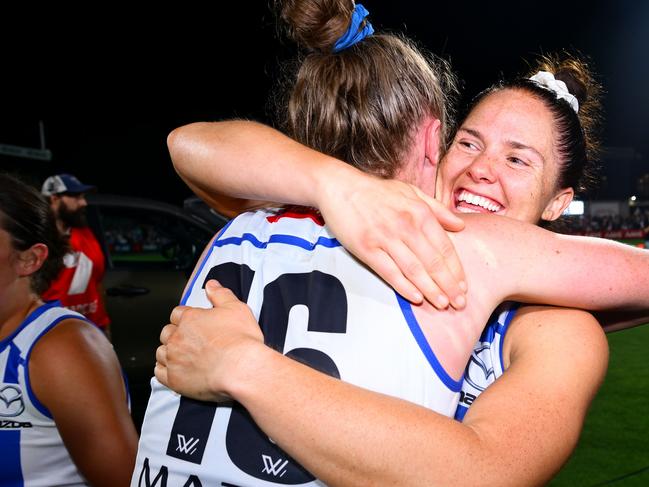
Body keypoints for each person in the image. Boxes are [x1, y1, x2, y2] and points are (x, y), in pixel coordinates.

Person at [143, 2, 645, 486]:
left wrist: (241, 365)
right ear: (437, 143)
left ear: (559, 202)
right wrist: (337, 185)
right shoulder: (370, 225)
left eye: (518, 160)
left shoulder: (558, 327)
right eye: (468, 143)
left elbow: (484, 473)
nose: (480, 169)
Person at [0, 173, 138, 486]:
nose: (82, 203)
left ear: (30, 258)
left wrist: (98, 332)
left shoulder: (59, 351)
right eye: (75, 196)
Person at [41, 173, 112, 337]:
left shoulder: (85, 233)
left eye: (83, 197)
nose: (84, 202)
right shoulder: (35, 238)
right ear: (54, 198)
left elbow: (97, 283)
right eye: (76, 197)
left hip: (91, 327)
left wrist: (104, 324)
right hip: (51, 331)